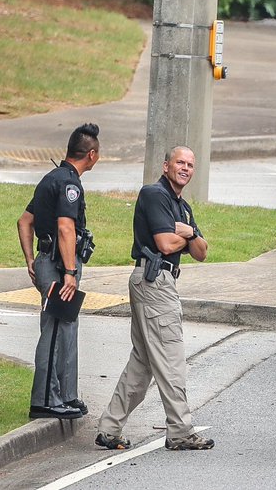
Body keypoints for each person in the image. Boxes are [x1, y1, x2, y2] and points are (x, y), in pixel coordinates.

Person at [95, 146, 213, 451]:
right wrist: (185, 237)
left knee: (143, 363)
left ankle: (109, 427)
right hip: (154, 281)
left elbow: (201, 252)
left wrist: (185, 232)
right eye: (180, 163)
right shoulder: (154, 194)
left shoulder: (182, 208)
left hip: (158, 282)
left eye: (190, 164)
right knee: (172, 358)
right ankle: (180, 431)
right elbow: (163, 242)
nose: (185, 168)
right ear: (166, 166)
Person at [17, 123, 101, 420]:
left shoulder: (51, 178)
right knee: (54, 330)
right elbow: (66, 227)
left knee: (66, 328)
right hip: (58, 264)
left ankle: (65, 396)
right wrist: (68, 272)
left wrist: (30, 259)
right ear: (91, 155)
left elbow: (25, 221)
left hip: (46, 260)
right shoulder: (69, 184)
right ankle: (44, 401)